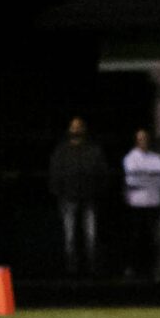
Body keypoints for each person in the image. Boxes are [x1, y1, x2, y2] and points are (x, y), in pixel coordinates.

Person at [48, 117, 109, 275]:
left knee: (91, 236)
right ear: (69, 129)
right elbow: (55, 174)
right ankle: (71, 270)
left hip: (89, 198)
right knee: (70, 237)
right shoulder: (62, 151)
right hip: (68, 198)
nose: (76, 130)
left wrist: (97, 192)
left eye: (79, 127)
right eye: (73, 127)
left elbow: (102, 173)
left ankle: (92, 269)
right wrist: (59, 194)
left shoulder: (93, 150)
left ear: (84, 129)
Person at [122, 128, 160, 280]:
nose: (143, 141)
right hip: (136, 204)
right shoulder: (130, 158)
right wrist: (150, 176)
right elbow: (132, 180)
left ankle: (153, 269)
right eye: (140, 139)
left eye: (145, 138)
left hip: (153, 203)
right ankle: (134, 268)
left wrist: (143, 176)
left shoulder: (157, 158)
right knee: (136, 238)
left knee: (153, 238)